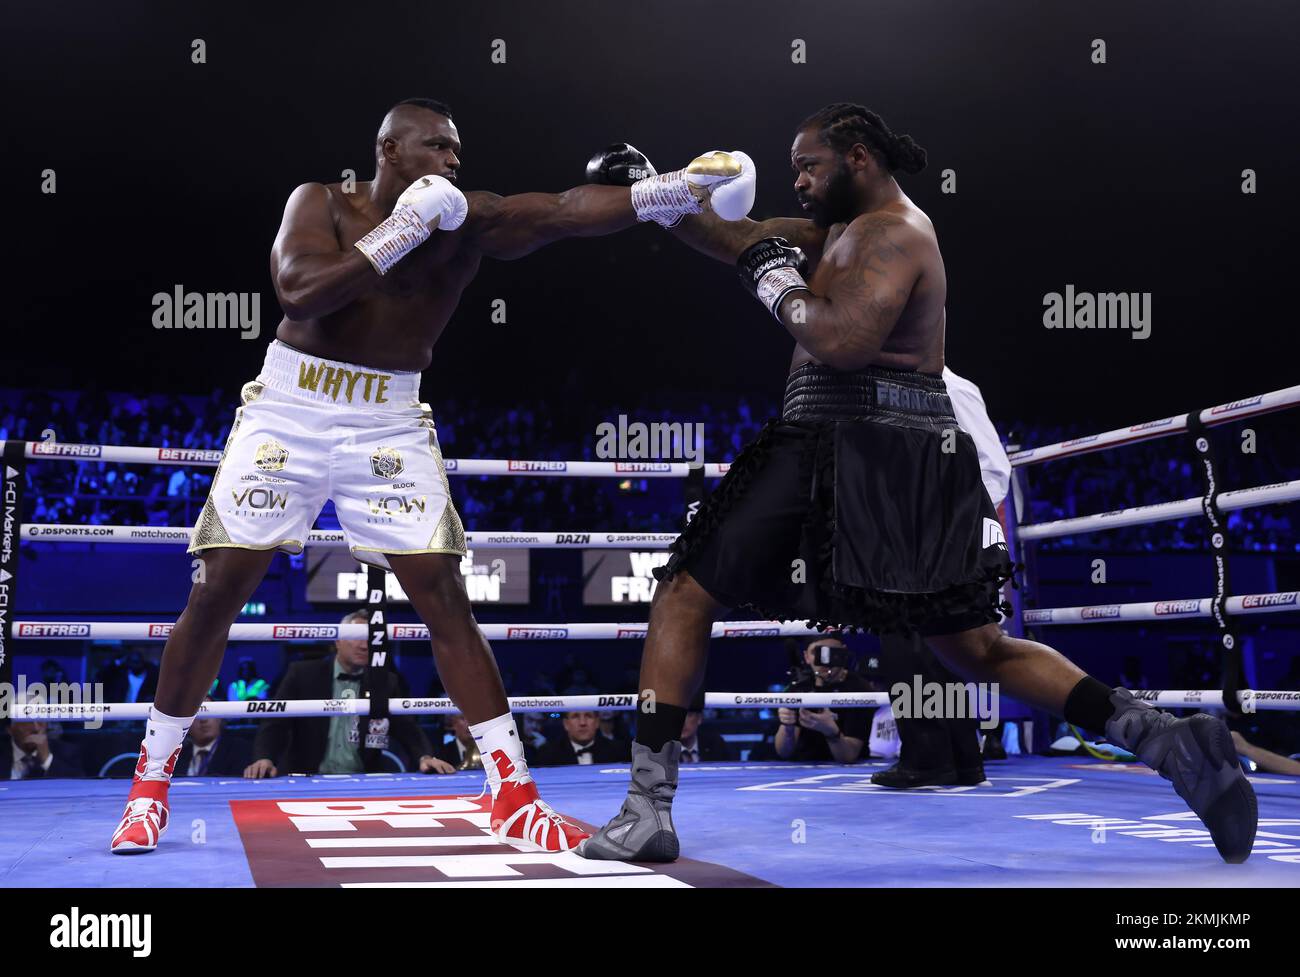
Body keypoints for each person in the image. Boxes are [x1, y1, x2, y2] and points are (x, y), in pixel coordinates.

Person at [579, 104, 1256, 864]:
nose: (797, 181)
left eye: (809, 165)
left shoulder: (897, 233)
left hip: (843, 434)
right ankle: (1164, 741)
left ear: (859, 158)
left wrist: (769, 278)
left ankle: (646, 809)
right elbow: (740, 239)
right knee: (974, 648)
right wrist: (655, 191)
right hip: (900, 451)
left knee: (682, 590)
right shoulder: (840, 227)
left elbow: (838, 340)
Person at [110, 98, 754, 853]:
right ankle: (149, 787)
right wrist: (398, 232)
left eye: (457, 150)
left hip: (389, 417)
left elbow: (563, 212)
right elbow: (299, 291)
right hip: (290, 407)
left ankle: (512, 790)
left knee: (444, 593)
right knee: (216, 590)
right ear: (389, 149)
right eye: (438, 147)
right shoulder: (321, 202)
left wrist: (668, 188)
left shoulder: (469, 219)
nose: (453, 161)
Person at [872, 365, 1008, 788]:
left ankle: (933, 760)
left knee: (920, 648)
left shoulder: (953, 388)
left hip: (947, 537)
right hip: (911, 537)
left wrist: (953, 524)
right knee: (933, 649)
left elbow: (994, 468)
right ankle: (958, 759)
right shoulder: (892, 390)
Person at [244, 611, 442, 777]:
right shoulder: (303, 674)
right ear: (338, 640)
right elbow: (275, 722)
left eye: (371, 639)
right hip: (305, 776)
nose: (365, 645)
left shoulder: (385, 681)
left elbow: (406, 727)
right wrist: (265, 757)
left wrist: (424, 757)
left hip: (362, 781)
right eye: (357, 637)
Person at [774, 637, 868, 763]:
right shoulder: (799, 687)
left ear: (843, 653)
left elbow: (848, 756)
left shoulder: (859, 689)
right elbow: (783, 752)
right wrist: (788, 727)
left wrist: (830, 731)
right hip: (804, 768)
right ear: (806, 657)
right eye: (816, 652)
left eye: (831, 651)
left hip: (852, 770)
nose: (824, 660)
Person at [534, 711, 630, 766]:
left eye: (588, 716)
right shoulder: (548, 754)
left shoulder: (618, 751)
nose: (582, 723)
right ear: (566, 724)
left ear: (597, 722)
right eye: (575, 716)